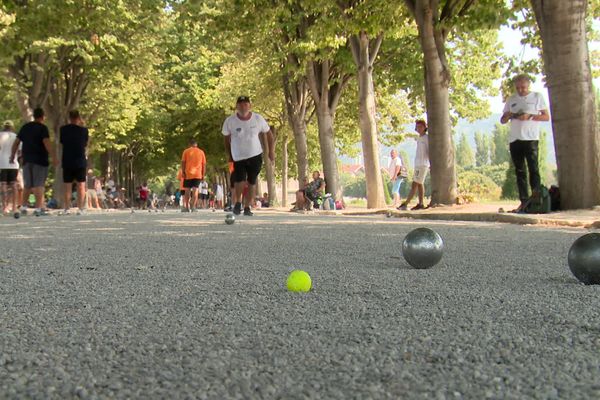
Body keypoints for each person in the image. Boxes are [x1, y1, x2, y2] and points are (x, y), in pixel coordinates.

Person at [500, 74, 550, 212]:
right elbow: (503, 120)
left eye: (523, 87)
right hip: (515, 139)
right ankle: (523, 201)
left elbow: (546, 117)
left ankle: (537, 200)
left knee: (534, 169)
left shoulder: (537, 97)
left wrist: (530, 116)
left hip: (531, 138)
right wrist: (509, 115)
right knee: (520, 171)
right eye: (518, 88)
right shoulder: (512, 99)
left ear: (528, 86)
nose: (520, 90)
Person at [222, 96, 274, 216]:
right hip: (238, 155)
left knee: (252, 181)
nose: (243, 106)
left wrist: (271, 151)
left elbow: (269, 134)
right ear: (237, 106)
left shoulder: (257, 118)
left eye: (245, 104)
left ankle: (247, 206)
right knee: (239, 180)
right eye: (240, 104)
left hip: (255, 154)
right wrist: (229, 154)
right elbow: (226, 138)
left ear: (250, 106)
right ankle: (238, 203)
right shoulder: (230, 121)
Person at [10, 107, 55, 216]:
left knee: (28, 185)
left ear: (34, 116)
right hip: (40, 160)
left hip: (27, 160)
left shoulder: (25, 127)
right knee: (39, 184)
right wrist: (54, 156)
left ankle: (24, 207)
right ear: (43, 117)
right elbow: (46, 142)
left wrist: (12, 155)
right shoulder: (43, 128)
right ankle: (39, 208)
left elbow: (16, 142)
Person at [59, 110, 89, 215]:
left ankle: (67, 208)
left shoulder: (63, 130)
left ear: (69, 118)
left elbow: (62, 142)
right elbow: (85, 144)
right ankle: (81, 208)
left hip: (67, 159)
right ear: (79, 118)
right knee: (81, 184)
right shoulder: (84, 130)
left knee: (67, 185)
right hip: (80, 160)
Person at [398, 120, 429, 211]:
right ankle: (420, 203)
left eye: (420, 127)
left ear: (424, 127)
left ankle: (406, 203)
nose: (419, 129)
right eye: (417, 127)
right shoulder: (419, 138)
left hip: (423, 164)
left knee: (415, 184)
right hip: (418, 164)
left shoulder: (426, 138)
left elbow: (429, 151)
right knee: (419, 183)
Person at [0, 120, 20, 217]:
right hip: (13, 163)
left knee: (3, 184)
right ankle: (14, 207)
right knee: (13, 184)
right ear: (12, 127)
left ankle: (4, 207)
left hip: (2, 163)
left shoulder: (0, 135)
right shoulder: (16, 136)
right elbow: (20, 151)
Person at [181, 138, 206, 212]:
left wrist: (183, 172)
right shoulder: (201, 152)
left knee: (187, 190)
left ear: (189, 144)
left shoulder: (186, 151)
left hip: (188, 173)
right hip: (198, 174)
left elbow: (183, 162)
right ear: (196, 144)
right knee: (195, 190)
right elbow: (204, 164)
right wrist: (203, 174)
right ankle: (193, 207)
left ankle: (186, 207)